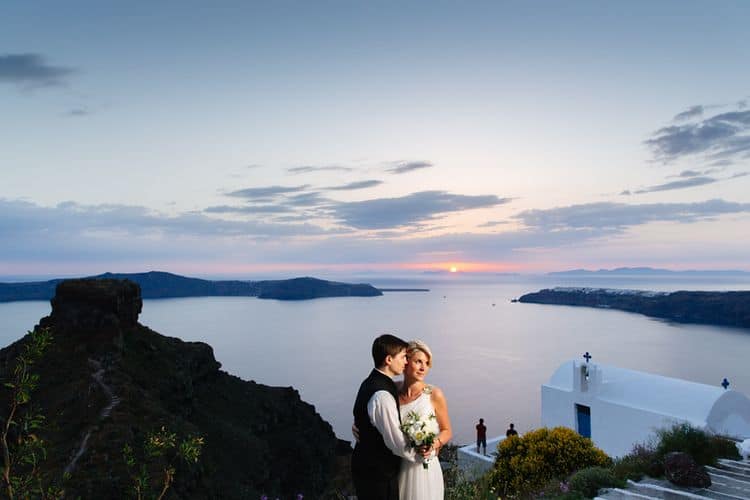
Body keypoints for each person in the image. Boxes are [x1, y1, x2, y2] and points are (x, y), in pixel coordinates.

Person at [351, 334, 417, 500]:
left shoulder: (371, 382)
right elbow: (396, 442)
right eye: (403, 357)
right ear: (389, 359)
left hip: (367, 469)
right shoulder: (382, 395)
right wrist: (422, 455)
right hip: (378, 475)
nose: (406, 362)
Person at [398, 339, 452, 500]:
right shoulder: (392, 390)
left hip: (425, 466)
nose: (423, 367)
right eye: (418, 361)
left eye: (427, 363)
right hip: (399, 465)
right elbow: (376, 409)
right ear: (406, 362)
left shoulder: (434, 394)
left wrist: (433, 445)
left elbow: (447, 430)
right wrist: (359, 424)